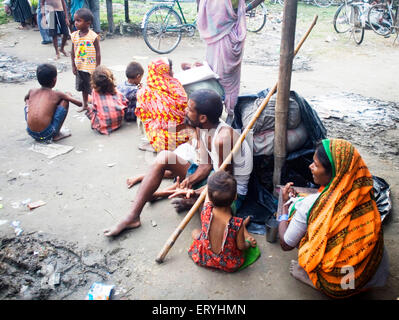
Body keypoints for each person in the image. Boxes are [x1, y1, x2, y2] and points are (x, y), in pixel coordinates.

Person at [104, 89, 253, 237]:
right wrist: (190, 181)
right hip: (215, 177)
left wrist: (194, 192)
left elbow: (224, 185)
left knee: (212, 224)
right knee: (164, 157)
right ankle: (132, 216)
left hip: (230, 192)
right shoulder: (203, 127)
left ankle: (193, 202)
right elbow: (205, 165)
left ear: (202, 118)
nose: (185, 111)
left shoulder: (223, 139)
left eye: (189, 109)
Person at [278, 139, 389, 299]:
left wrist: (284, 207)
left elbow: (286, 244)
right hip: (368, 274)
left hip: (338, 285)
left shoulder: (313, 204)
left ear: (333, 173)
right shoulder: (365, 195)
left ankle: (314, 280)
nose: (310, 167)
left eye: (316, 165)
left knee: (303, 220)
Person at [188, 171, 257, 272]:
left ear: (210, 198)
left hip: (205, 257)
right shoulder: (237, 224)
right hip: (228, 263)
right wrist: (248, 243)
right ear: (235, 197)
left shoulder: (206, 209)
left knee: (195, 232)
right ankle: (242, 235)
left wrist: (210, 186)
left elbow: (207, 193)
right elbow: (241, 246)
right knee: (240, 241)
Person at [196, 0, 247, 123]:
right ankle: (228, 112)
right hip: (231, 38)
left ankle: (215, 111)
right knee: (227, 79)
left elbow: (199, 6)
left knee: (214, 76)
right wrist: (243, 9)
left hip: (217, 38)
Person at [135, 57, 192, 153]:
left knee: (141, 107)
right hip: (185, 136)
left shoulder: (144, 93)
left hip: (164, 142)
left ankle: (151, 140)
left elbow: (143, 115)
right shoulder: (177, 86)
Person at [24, 63, 82, 141]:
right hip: (47, 134)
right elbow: (79, 104)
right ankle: (56, 134)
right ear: (54, 80)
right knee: (65, 100)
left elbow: (26, 99)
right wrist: (68, 95)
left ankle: (36, 124)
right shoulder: (57, 94)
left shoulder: (32, 91)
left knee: (29, 101)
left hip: (30, 132)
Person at [71, 7, 101, 112]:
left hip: (90, 68)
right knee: (83, 88)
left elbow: (98, 52)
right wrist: (73, 66)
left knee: (93, 89)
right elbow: (72, 52)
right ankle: (85, 105)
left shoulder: (93, 36)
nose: (76, 23)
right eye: (75, 20)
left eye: (78, 20)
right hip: (80, 67)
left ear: (88, 23)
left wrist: (98, 68)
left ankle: (97, 107)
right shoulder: (74, 36)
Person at [86, 65, 127, 135]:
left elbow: (94, 107)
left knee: (89, 108)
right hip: (118, 122)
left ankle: (99, 123)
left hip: (102, 127)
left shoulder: (94, 92)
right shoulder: (116, 91)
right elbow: (125, 102)